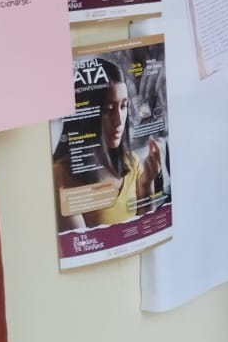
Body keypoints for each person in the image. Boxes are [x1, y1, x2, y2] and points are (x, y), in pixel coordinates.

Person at [52, 57, 164, 231]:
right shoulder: (60, 175)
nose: (119, 121)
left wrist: (146, 184)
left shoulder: (132, 162)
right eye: (109, 109)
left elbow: (146, 229)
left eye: (123, 106)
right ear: (87, 113)